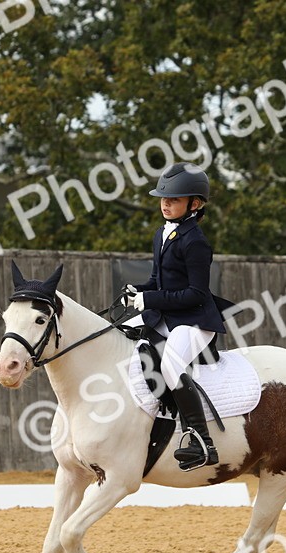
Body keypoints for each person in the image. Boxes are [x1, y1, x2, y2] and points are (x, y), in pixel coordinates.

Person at [123, 162, 231, 471]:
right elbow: (158, 281)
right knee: (124, 339)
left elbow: (196, 293)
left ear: (194, 204)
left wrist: (149, 298)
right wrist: (137, 290)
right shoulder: (162, 234)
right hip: (170, 314)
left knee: (170, 364)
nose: (166, 204)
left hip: (195, 320)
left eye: (174, 199)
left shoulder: (195, 242)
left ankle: (201, 440)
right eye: (163, 199)